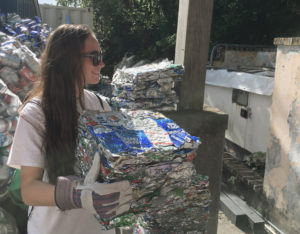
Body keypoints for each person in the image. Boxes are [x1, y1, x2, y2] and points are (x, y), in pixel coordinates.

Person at [7, 24, 132, 234]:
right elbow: (28, 190)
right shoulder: (35, 114)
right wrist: (79, 196)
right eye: (94, 56)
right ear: (69, 60)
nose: (102, 63)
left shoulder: (102, 106)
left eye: (101, 56)